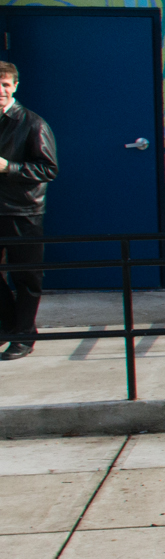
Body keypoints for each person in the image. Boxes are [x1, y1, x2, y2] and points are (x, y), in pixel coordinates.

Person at [0, 56, 57, 361]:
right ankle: (9, 326)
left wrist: (9, 167)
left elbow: (49, 169)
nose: (0, 90)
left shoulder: (33, 123)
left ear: (15, 85)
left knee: (26, 277)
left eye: (5, 84)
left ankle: (24, 336)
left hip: (22, 211)